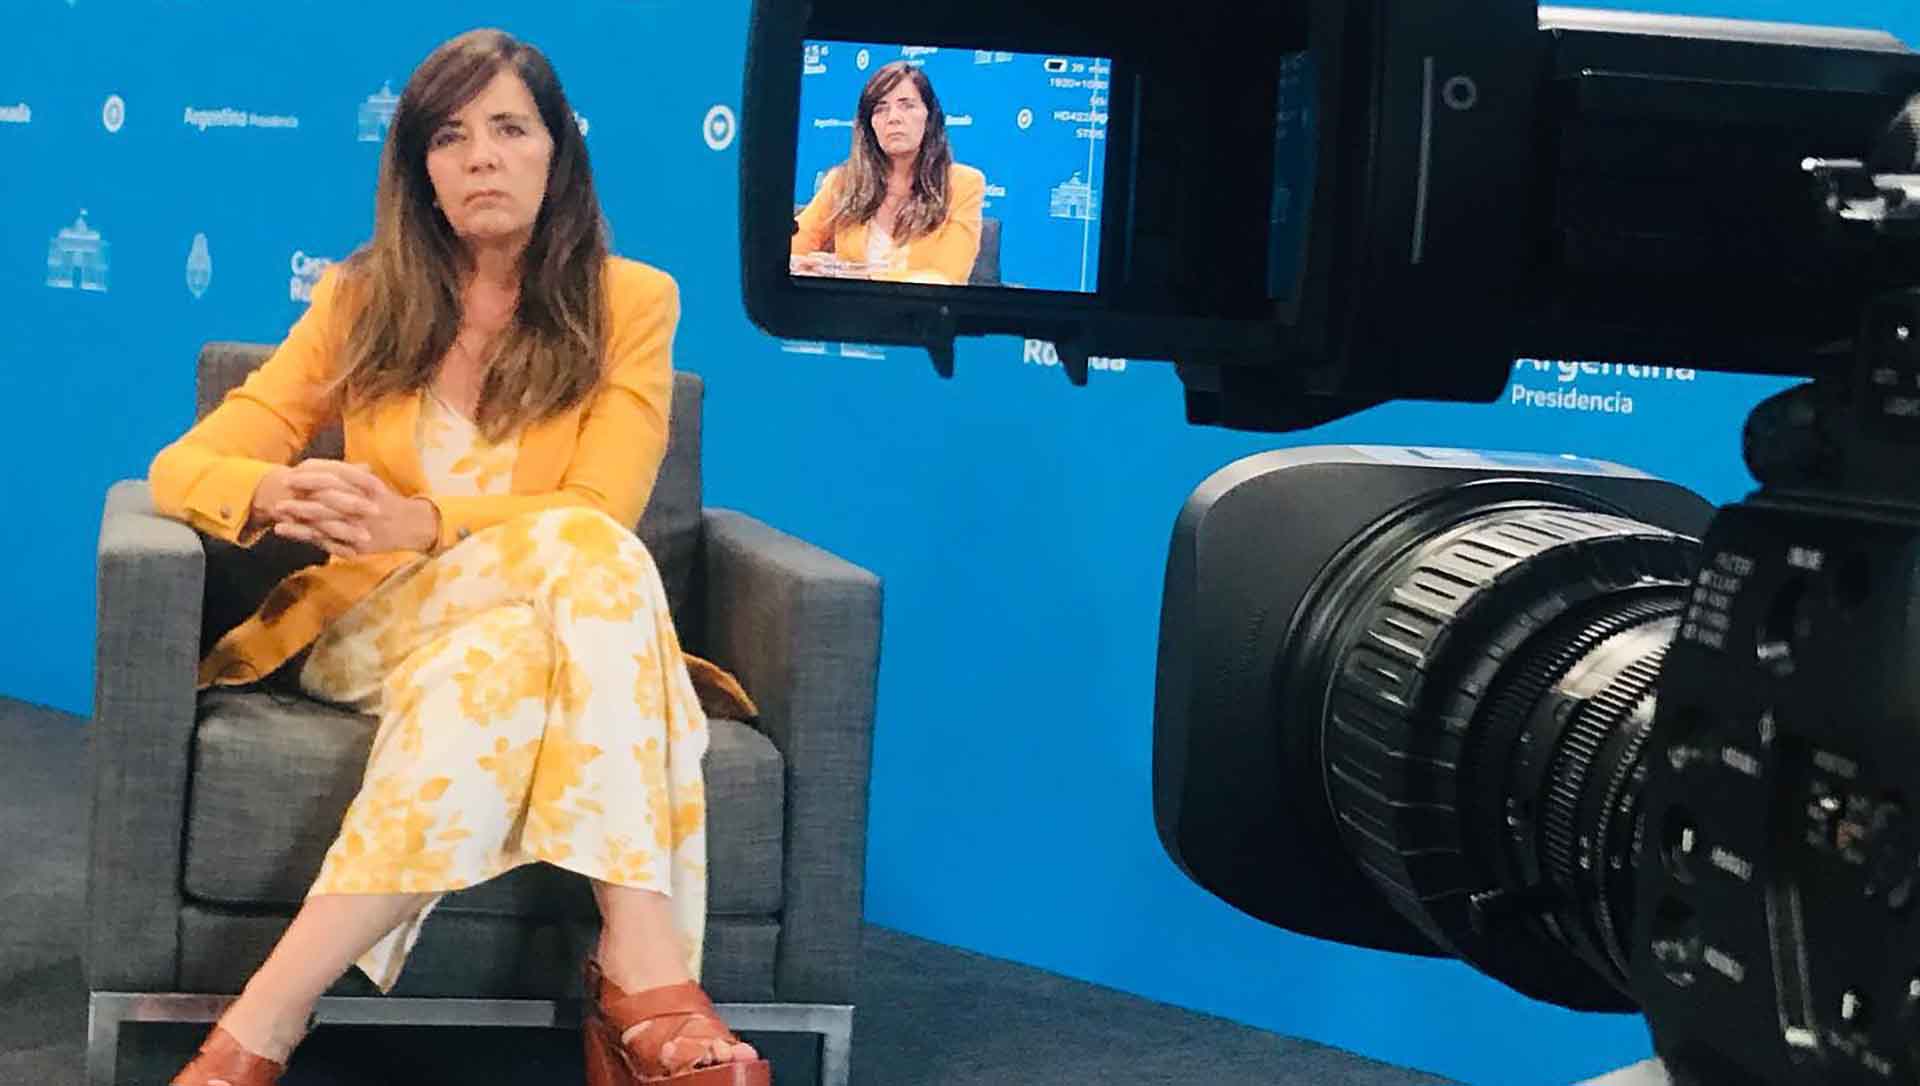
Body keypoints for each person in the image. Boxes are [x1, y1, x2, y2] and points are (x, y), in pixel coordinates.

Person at [150, 28, 771, 1086]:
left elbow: (600, 505)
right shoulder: (362, 300)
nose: (482, 156)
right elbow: (182, 467)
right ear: (421, 171)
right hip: (373, 628)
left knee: (504, 665)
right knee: (587, 555)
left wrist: (426, 520)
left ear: (557, 153)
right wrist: (266, 490)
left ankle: (256, 1031)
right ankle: (641, 967)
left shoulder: (631, 303)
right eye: (449, 136)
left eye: (510, 129)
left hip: (536, 623)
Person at [791, 60, 985, 285]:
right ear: (870, 124)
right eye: (880, 109)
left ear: (929, 117)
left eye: (907, 105)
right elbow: (794, 245)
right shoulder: (843, 182)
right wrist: (802, 265)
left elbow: (947, 276)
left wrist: (851, 274)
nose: (893, 118)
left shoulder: (963, 184)